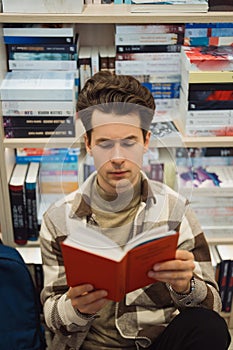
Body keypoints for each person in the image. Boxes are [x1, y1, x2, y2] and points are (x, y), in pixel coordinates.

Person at [40, 71, 231, 350]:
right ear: (89, 145)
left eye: (129, 142)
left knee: (209, 326)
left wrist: (186, 286)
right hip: (90, 346)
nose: (118, 158)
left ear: (146, 142)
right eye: (105, 143)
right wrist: (76, 308)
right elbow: (51, 316)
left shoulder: (175, 208)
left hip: (156, 343)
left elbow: (213, 304)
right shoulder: (58, 218)